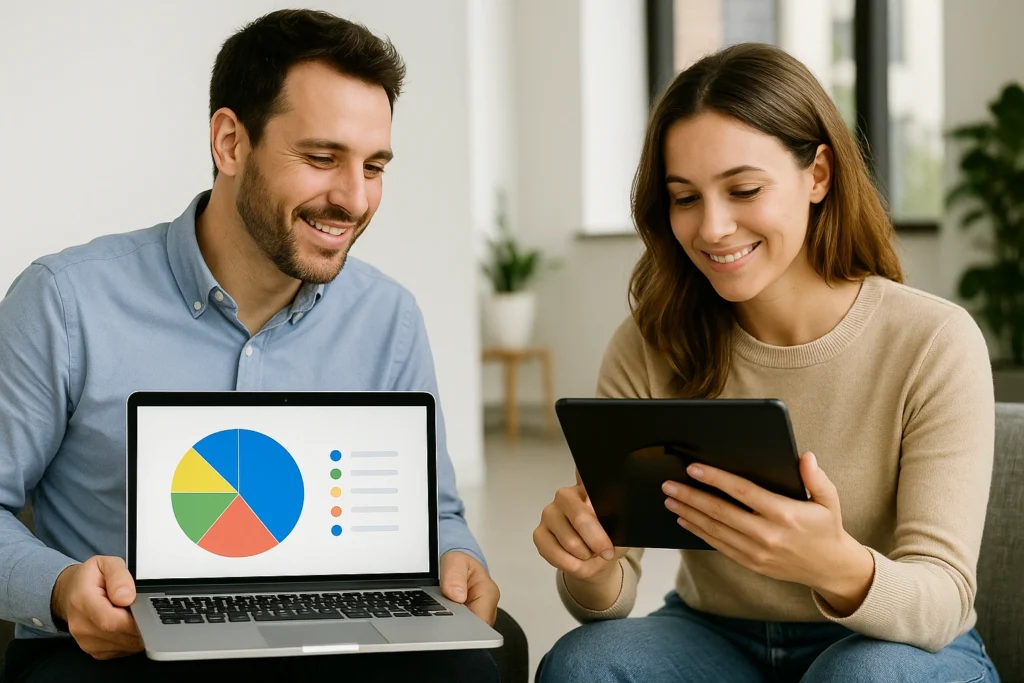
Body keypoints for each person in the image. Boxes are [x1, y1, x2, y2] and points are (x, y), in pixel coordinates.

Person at [0, 9, 499, 683]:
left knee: (467, 669)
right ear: (230, 143)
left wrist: (460, 558)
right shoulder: (64, 301)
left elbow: (435, 514)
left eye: (374, 166)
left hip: (327, 637)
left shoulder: (390, 317)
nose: (354, 199)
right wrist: (61, 589)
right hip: (118, 650)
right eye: (322, 158)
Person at [533, 43, 999, 683]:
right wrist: (589, 564)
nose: (713, 228)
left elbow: (943, 599)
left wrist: (833, 563)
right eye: (685, 198)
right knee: (584, 664)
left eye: (744, 189)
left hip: (891, 643)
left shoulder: (933, 342)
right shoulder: (650, 342)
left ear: (819, 175)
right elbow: (610, 595)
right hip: (713, 634)